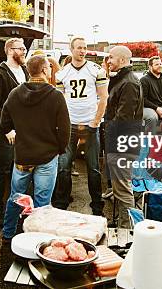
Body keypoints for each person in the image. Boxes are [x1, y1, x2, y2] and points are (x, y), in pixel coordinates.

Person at [1, 55, 70, 240]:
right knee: (42, 202)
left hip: (23, 155)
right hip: (47, 156)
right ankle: (37, 239)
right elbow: (65, 129)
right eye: (48, 67)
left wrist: (12, 133)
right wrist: (59, 148)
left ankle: (8, 234)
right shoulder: (55, 96)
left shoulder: (15, 93)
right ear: (45, 70)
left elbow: (4, 120)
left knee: (16, 197)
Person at [54, 37, 108, 216]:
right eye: (79, 48)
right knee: (64, 166)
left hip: (90, 125)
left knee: (93, 168)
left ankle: (97, 205)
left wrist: (95, 121)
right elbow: (60, 101)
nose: (82, 51)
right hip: (70, 125)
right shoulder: (62, 73)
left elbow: (103, 98)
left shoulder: (96, 70)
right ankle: (62, 202)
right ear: (71, 49)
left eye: (85, 48)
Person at [0, 38, 29, 224]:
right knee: (4, 167)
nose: (25, 51)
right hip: (8, 130)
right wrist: (7, 129)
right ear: (10, 50)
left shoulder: (25, 71)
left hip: (25, 129)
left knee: (21, 168)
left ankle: (19, 206)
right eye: (21, 48)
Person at [104, 45, 143, 228]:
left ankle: (128, 229)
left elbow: (123, 119)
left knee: (123, 190)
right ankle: (124, 225)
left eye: (110, 57)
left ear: (121, 60)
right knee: (121, 189)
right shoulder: (123, 80)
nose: (108, 61)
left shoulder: (128, 83)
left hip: (122, 144)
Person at [140, 56, 162, 134]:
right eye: (157, 64)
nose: (160, 66)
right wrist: (156, 108)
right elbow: (143, 99)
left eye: (160, 64)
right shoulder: (144, 80)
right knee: (152, 118)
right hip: (148, 107)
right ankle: (149, 142)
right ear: (150, 67)